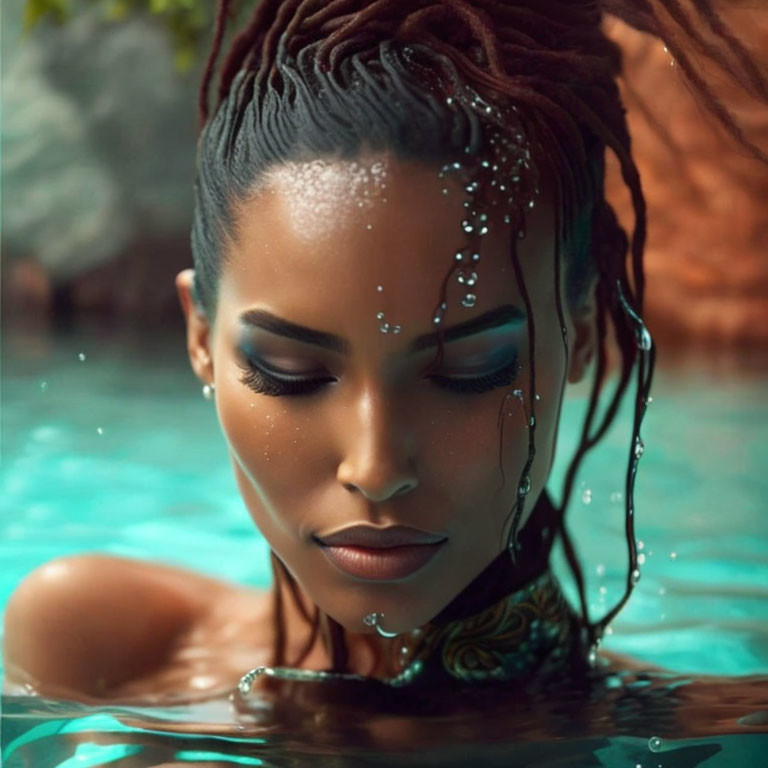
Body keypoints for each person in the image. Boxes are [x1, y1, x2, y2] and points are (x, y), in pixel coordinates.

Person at [3, 0, 765, 708]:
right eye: (289, 372)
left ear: (587, 336)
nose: (375, 466)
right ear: (201, 340)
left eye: (470, 371)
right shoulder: (97, 649)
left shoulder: (704, 736)